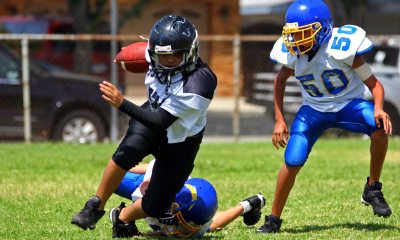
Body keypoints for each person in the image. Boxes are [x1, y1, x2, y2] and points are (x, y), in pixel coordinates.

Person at [71, 15, 218, 234]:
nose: (168, 60)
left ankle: (121, 217)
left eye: (176, 55)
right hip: (152, 112)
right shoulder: (153, 54)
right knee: (126, 153)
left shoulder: (200, 81)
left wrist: (122, 104)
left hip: (181, 137)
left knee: (156, 206)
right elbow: (136, 56)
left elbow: (162, 122)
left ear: (191, 52)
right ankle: (94, 206)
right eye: (162, 55)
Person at [257, 0, 393, 234]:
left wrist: (379, 107)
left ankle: (373, 187)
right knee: (293, 160)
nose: (297, 41)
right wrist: (280, 120)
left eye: (303, 34)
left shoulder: (341, 48)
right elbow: (279, 82)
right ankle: (273, 219)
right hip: (313, 111)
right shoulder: (294, 54)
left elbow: (375, 85)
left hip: (349, 105)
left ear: (323, 29)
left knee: (378, 127)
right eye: (293, 35)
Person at [110, 159, 266, 238]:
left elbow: (213, 223)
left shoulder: (200, 215)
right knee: (114, 178)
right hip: (150, 181)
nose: (192, 227)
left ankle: (248, 204)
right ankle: (247, 205)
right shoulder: (159, 191)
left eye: (194, 224)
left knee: (209, 227)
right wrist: (123, 217)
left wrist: (244, 206)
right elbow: (125, 214)